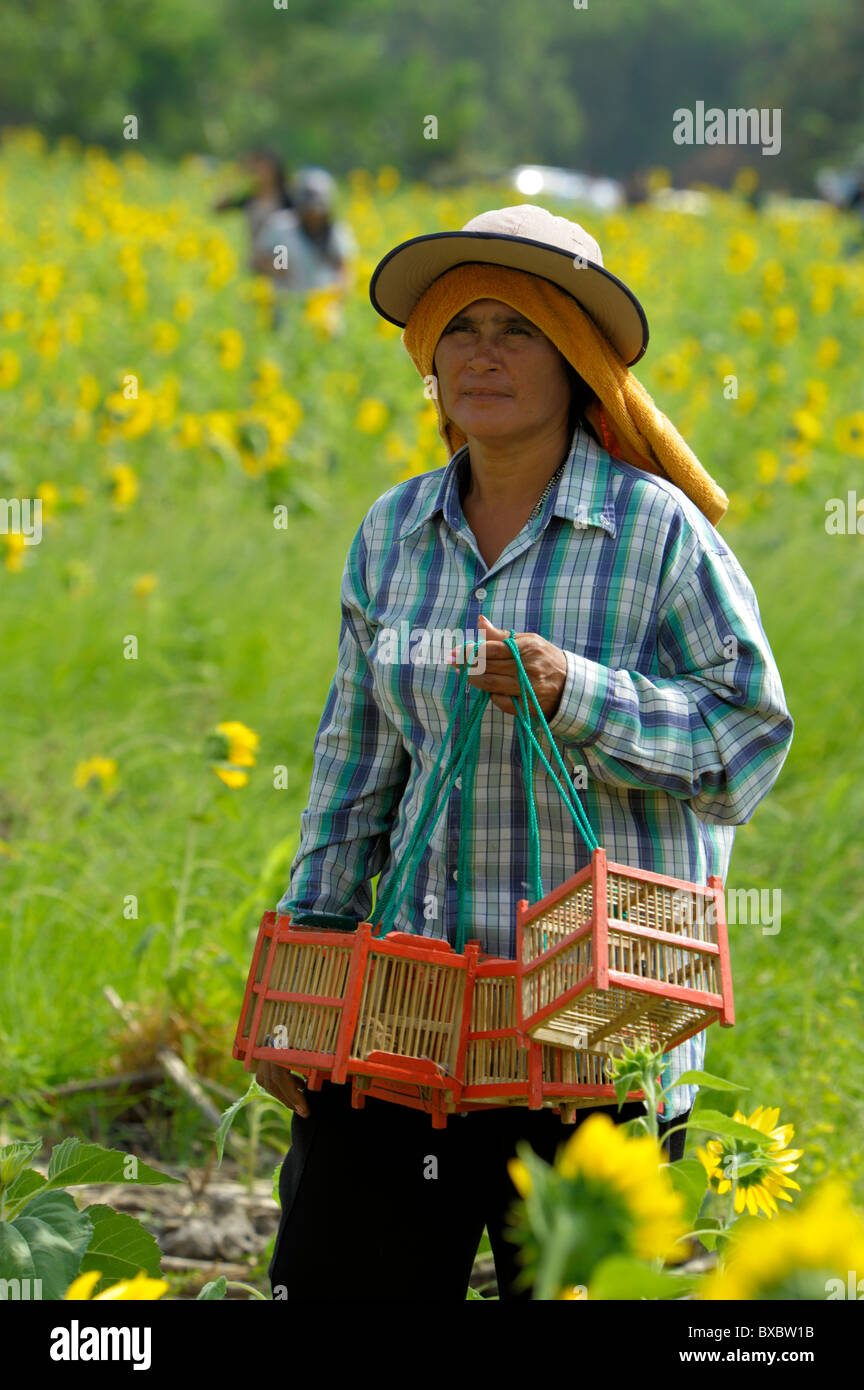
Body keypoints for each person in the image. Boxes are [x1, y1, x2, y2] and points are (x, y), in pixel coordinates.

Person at [258, 204, 794, 1300]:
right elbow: (354, 767)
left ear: (577, 362)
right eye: (462, 330)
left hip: (606, 1033)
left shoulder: (657, 533)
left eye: (519, 330)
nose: (483, 354)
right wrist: (304, 963)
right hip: (410, 1021)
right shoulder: (392, 532)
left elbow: (747, 744)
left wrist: (579, 694)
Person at [213, 148, 294, 275]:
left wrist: (281, 268)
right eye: (257, 168)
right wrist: (234, 178)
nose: (261, 173)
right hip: (255, 263)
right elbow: (217, 209)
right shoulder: (250, 199)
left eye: (265, 168)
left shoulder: (287, 200)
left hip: (281, 266)